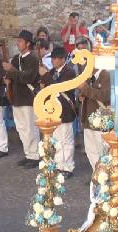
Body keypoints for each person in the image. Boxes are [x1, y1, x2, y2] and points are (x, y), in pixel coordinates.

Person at [3, 30, 40, 168]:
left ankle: (35, 155)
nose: (17, 43)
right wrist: (7, 79)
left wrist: (12, 70)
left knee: (31, 128)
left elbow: (28, 78)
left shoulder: (33, 59)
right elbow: (13, 75)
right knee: (22, 128)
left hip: (28, 99)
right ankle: (28, 154)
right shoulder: (16, 58)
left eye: (20, 41)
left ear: (28, 43)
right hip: (17, 97)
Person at [39, 47, 77, 178]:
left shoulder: (69, 72)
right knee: (57, 140)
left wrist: (45, 75)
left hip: (65, 110)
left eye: (55, 58)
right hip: (54, 110)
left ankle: (68, 167)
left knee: (66, 140)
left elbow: (59, 87)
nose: (53, 61)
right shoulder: (53, 71)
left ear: (63, 59)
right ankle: (59, 164)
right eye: (52, 58)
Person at [78, 68, 111, 171]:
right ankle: (97, 173)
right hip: (88, 119)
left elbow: (105, 96)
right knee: (91, 151)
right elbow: (86, 93)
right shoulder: (88, 76)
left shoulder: (106, 74)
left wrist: (85, 88)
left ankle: (105, 176)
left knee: (102, 150)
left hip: (100, 119)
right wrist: (81, 95)